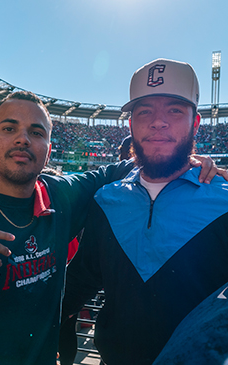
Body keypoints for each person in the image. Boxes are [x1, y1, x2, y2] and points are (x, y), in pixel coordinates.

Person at [0, 90, 219, 364]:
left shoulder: (64, 195)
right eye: (9, 129)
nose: (23, 139)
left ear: (48, 149)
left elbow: (123, 168)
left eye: (35, 132)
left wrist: (187, 161)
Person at [62, 58, 228, 365]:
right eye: (145, 111)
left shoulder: (224, 203)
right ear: (130, 124)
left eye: (174, 110)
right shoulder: (105, 200)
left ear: (195, 122)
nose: (158, 121)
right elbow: (82, 279)